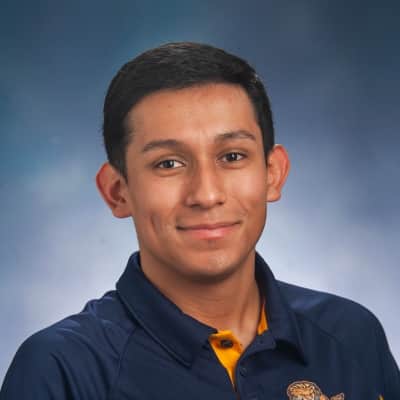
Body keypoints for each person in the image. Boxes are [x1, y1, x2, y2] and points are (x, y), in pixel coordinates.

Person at [1, 42, 399, 400]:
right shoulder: (63, 370)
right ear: (117, 191)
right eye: (168, 164)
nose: (207, 195)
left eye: (232, 156)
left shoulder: (351, 335)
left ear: (272, 174)